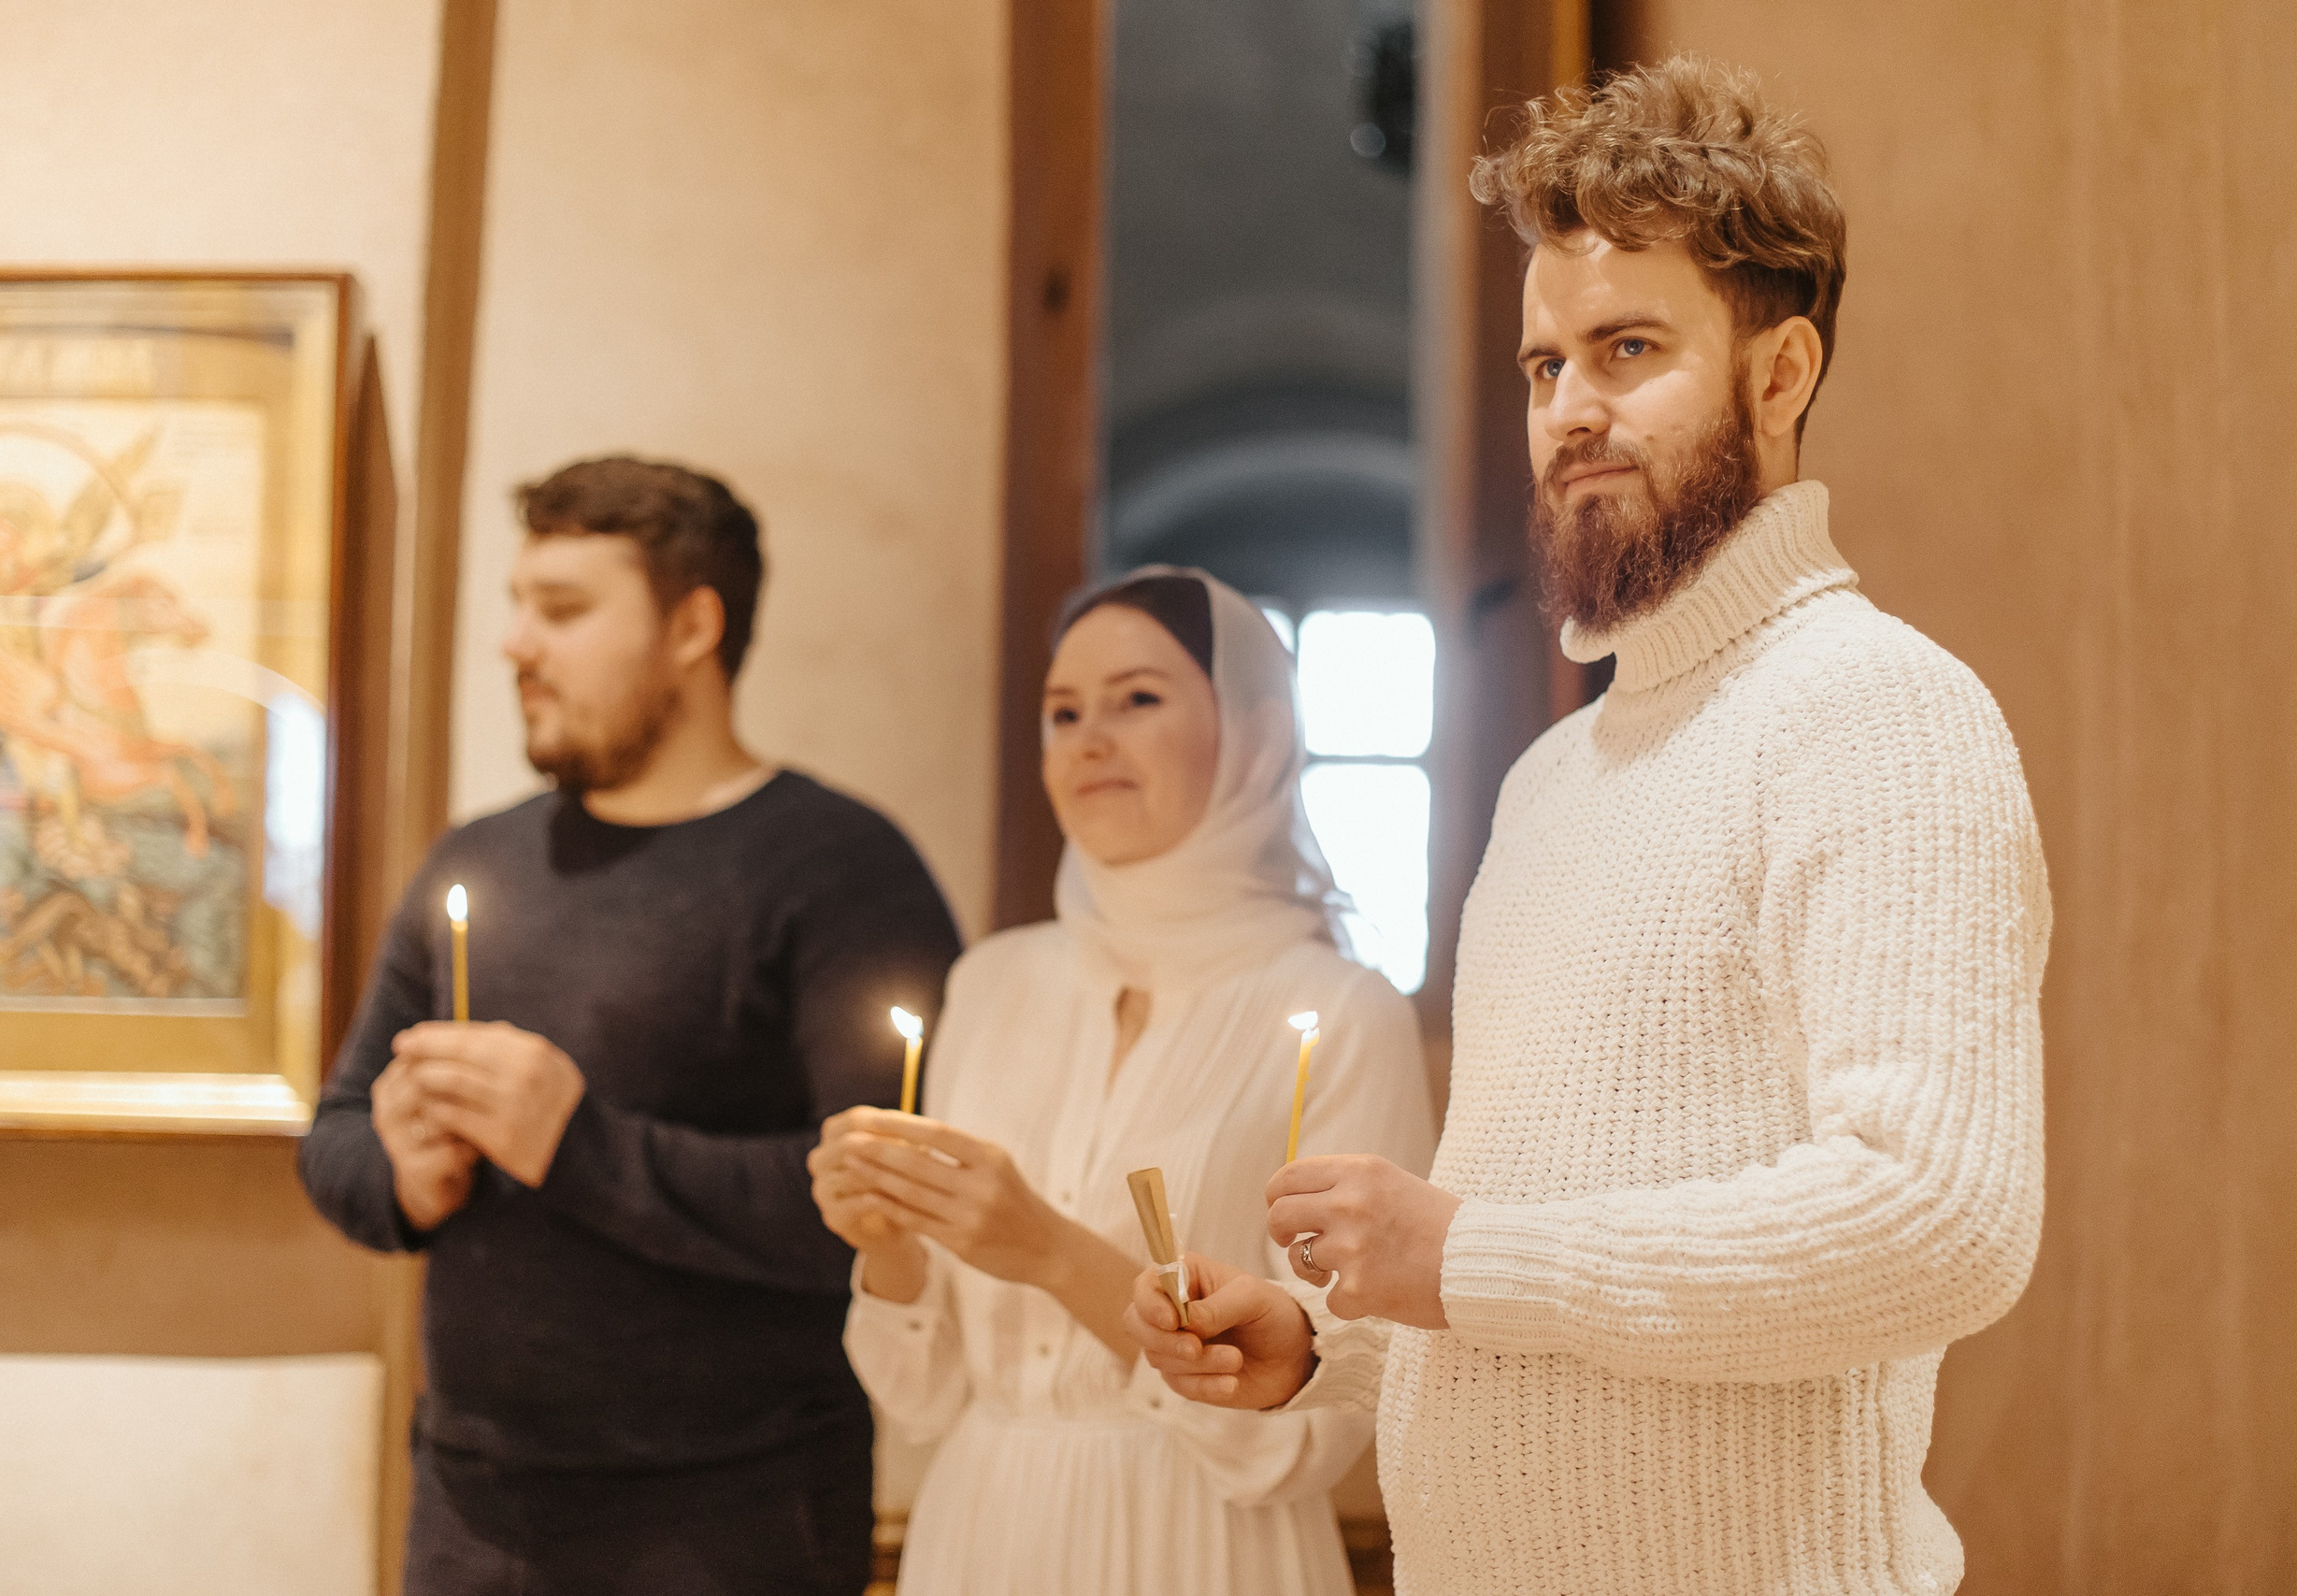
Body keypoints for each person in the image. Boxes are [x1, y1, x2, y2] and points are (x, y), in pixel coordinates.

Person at [1126, 57, 2050, 1596]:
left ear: (1780, 373)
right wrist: (1328, 1336)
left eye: (1629, 349)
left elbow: (1935, 1219)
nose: (1572, 411)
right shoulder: (1554, 779)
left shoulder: (1880, 708)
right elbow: (1532, 1236)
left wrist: (1458, 1255)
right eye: (1543, 366)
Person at [299, 456, 961, 1596]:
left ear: (692, 626)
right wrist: (402, 1176)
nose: (516, 644)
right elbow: (338, 1136)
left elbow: (886, 1210)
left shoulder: (840, 870)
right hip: (474, 1507)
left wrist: (579, 1142)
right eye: (517, 606)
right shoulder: (476, 860)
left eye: (561, 610)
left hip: (735, 1515)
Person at [811, 568, 1437, 1596]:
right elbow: (921, 1399)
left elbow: (1318, 1424)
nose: (1089, 738)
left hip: (1206, 1547)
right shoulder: (992, 980)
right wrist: (888, 1243)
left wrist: (1051, 1252)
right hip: (982, 1530)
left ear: (1258, 736)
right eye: (1062, 713)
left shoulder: (1341, 1011)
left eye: (1137, 699)